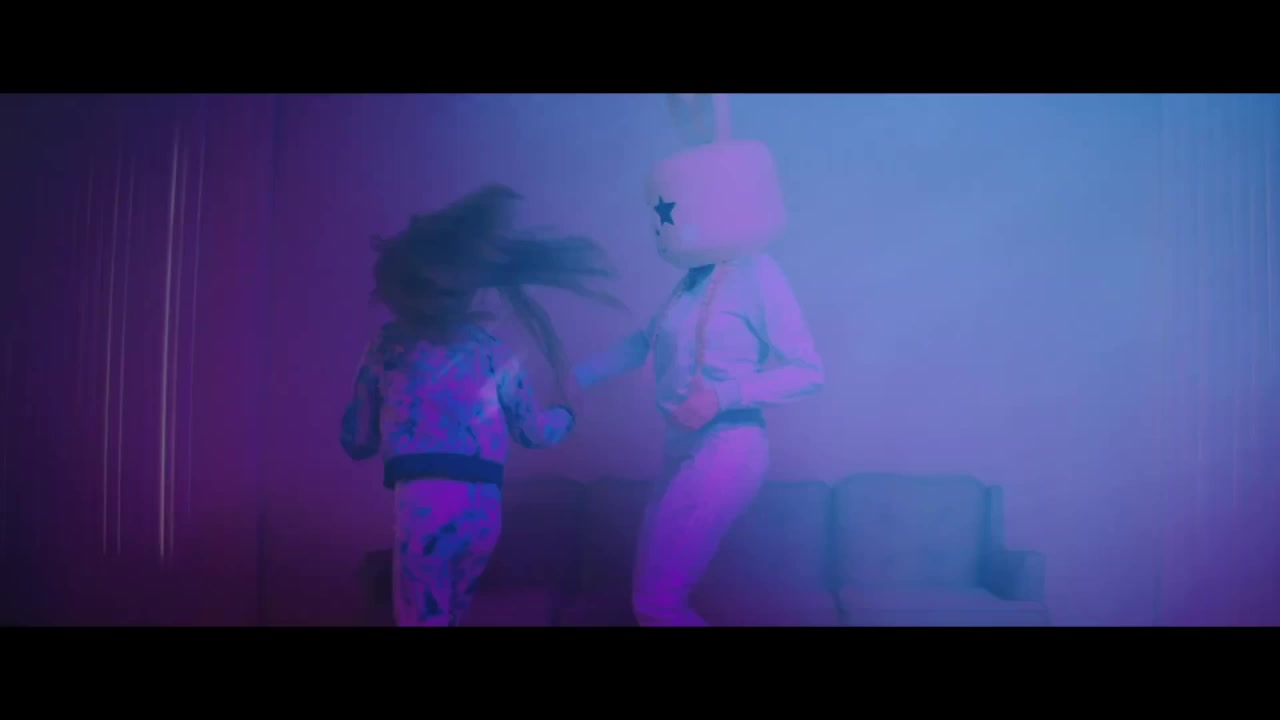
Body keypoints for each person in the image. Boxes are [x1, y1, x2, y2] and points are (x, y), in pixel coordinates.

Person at [573, 94, 824, 626]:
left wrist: (723, 395)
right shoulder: (688, 284)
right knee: (650, 596)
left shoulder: (757, 271)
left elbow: (808, 372)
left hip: (728, 448)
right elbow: (640, 344)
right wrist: (572, 377)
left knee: (656, 602)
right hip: (678, 448)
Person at [341, 184, 623, 627]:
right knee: (452, 615)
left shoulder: (388, 346)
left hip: (425, 501)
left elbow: (356, 440)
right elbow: (534, 433)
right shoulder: (495, 353)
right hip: (484, 510)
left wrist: (369, 424)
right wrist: (568, 413)